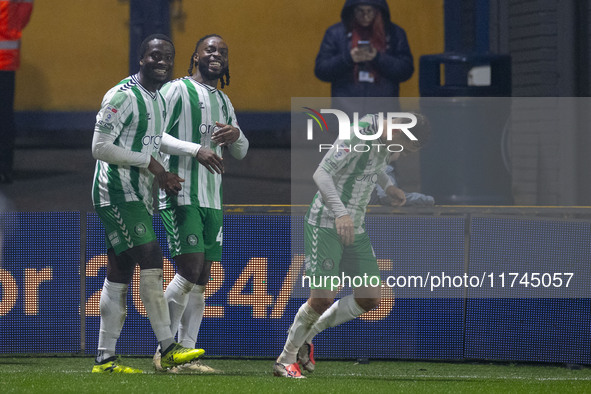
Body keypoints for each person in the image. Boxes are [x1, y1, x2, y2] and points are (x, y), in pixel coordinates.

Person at [274, 113, 430, 378]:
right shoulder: (358, 133)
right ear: (396, 132)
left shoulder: (385, 140)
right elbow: (321, 173)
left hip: (355, 226)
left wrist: (389, 186)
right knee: (321, 299)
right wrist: (340, 213)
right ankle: (284, 361)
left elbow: (374, 166)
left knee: (370, 297)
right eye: (403, 149)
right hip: (327, 221)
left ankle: (306, 338)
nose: (400, 155)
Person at [91, 34, 207, 374]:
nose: (162, 62)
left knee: (120, 271)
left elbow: (154, 142)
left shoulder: (158, 99)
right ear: (141, 59)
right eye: (155, 56)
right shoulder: (122, 96)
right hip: (115, 191)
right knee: (152, 256)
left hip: (137, 194)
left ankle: (105, 359)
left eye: (168, 57)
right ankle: (168, 348)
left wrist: (176, 163)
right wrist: (153, 165)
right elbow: (99, 147)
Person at [152, 34, 249, 373]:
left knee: (202, 277)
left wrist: (237, 136)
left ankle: (186, 355)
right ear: (195, 56)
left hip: (211, 199)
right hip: (181, 192)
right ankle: (164, 348)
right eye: (210, 50)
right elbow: (154, 135)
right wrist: (196, 150)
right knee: (189, 270)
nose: (216, 55)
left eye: (223, 51)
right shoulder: (176, 90)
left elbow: (241, 150)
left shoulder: (223, 99)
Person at [314, 0, 414, 118]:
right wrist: (348, 58)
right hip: (345, 113)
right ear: (352, 11)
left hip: (384, 114)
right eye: (360, 11)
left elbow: (406, 70)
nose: (365, 16)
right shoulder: (335, 33)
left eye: (369, 11)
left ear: (378, 11)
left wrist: (378, 58)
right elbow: (321, 70)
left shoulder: (395, 33)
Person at [0, 0, 34, 184]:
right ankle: (4, 168)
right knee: (4, 115)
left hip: (5, 59)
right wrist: (11, 28)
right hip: (5, 60)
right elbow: (25, 9)